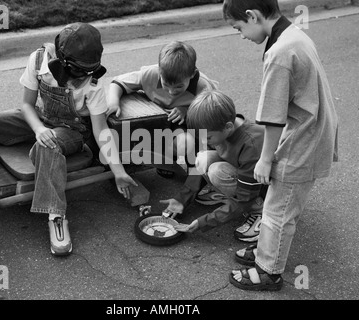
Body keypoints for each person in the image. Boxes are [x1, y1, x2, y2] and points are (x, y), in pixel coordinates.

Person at [0, 22, 137, 256]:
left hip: (71, 131)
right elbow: (26, 105)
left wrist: (118, 171)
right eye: (79, 71)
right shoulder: (38, 60)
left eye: (89, 70)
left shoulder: (94, 84)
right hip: (37, 118)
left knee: (47, 145)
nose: (84, 77)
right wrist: (38, 128)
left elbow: (101, 131)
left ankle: (56, 216)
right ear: (62, 61)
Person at [223, 0, 339, 291]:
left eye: (239, 28)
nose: (241, 35)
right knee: (278, 203)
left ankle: (268, 270)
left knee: (278, 210)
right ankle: (265, 251)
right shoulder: (293, 34)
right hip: (313, 127)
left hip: (303, 138)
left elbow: (273, 117)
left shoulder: (279, 52)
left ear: (253, 16)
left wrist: (264, 159)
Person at [163, 90, 266, 243]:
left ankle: (259, 211)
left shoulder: (251, 145)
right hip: (242, 174)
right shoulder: (219, 128)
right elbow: (199, 168)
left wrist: (204, 221)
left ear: (228, 127)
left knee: (217, 172)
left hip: (262, 188)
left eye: (208, 137)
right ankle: (227, 195)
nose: (206, 141)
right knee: (203, 158)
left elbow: (245, 197)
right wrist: (182, 199)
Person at [107, 40, 218, 177]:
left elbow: (212, 115)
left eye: (178, 86)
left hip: (189, 124)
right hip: (158, 120)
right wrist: (113, 102)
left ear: (192, 74)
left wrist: (187, 110)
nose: (171, 91)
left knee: (187, 143)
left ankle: (196, 172)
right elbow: (117, 83)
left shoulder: (203, 86)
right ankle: (165, 158)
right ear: (159, 71)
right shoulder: (150, 74)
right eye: (166, 85)